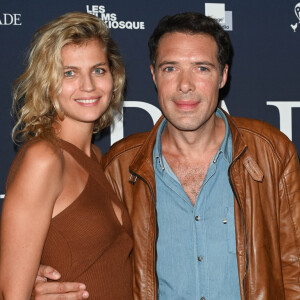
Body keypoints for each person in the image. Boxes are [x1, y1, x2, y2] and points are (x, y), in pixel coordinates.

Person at [32, 12, 300, 300]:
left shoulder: (271, 151)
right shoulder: (119, 167)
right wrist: (36, 284)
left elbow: (294, 267)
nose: (185, 84)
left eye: (202, 68)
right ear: (154, 75)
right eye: (170, 68)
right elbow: (91, 259)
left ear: (223, 75)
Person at [0, 12, 133, 300]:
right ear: (47, 83)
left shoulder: (98, 158)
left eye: (98, 70)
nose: (88, 85)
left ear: (113, 76)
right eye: (69, 73)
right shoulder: (44, 158)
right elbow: (12, 293)